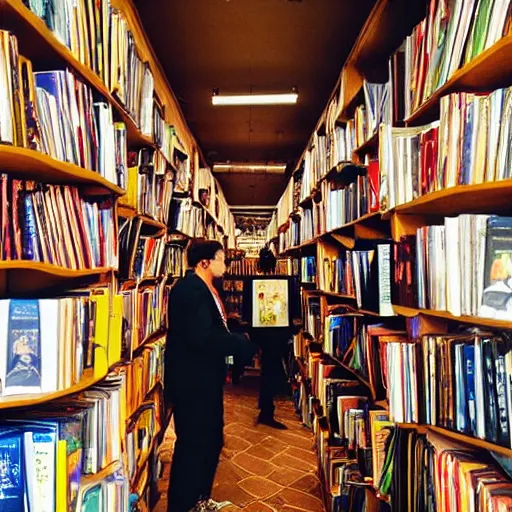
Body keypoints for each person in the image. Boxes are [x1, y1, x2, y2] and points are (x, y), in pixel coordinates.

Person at [165, 240, 256, 512]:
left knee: (210, 440)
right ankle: (183, 505)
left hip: (204, 380)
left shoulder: (206, 289)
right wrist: (238, 343)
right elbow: (201, 336)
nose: (225, 265)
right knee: (193, 444)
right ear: (205, 262)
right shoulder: (191, 290)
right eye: (221, 259)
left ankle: (200, 500)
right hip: (192, 383)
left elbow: (211, 327)